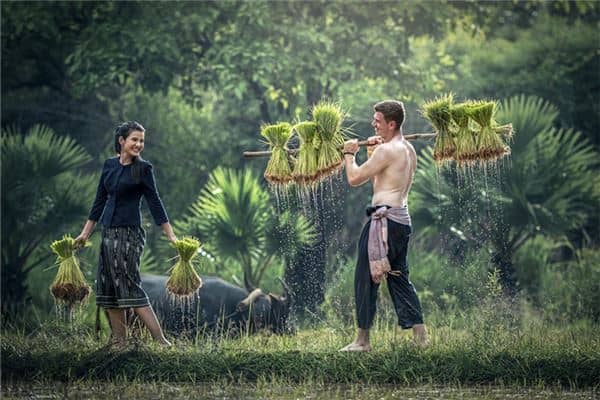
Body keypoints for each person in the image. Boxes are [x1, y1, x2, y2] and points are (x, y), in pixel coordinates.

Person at [75, 121, 176, 348]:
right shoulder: (109, 166)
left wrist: (171, 236)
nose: (139, 144)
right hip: (108, 233)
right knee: (108, 285)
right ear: (121, 140)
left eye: (141, 141)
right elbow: (99, 201)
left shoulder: (144, 169)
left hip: (129, 235)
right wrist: (85, 234)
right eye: (134, 139)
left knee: (129, 285)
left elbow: (155, 203)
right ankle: (120, 342)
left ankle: (162, 341)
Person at [339, 100, 428, 352]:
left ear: (392, 124)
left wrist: (349, 154)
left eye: (377, 121)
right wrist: (370, 154)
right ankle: (421, 338)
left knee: (364, 278)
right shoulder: (407, 149)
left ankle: (362, 341)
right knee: (399, 277)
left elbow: (355, 178)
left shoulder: (387, 151)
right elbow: (384, 182)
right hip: (401, 220)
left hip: (383, 223)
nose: (373, 124)